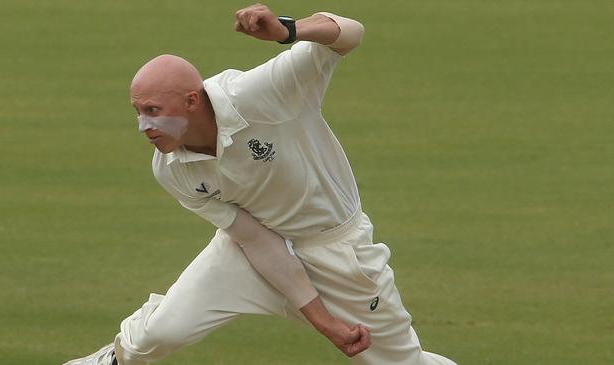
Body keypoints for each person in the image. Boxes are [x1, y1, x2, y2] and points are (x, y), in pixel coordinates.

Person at [64, 4, 457, 365]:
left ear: (191, 101)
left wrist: (290, 30)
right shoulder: (171, 169)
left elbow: (350, 32)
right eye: (138, 112)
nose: (144, 127)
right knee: (160, 332)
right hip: (252, 252)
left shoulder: (259, 94)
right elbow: (255, 241)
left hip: (339, 250)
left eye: (153, 111)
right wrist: (322, 321)